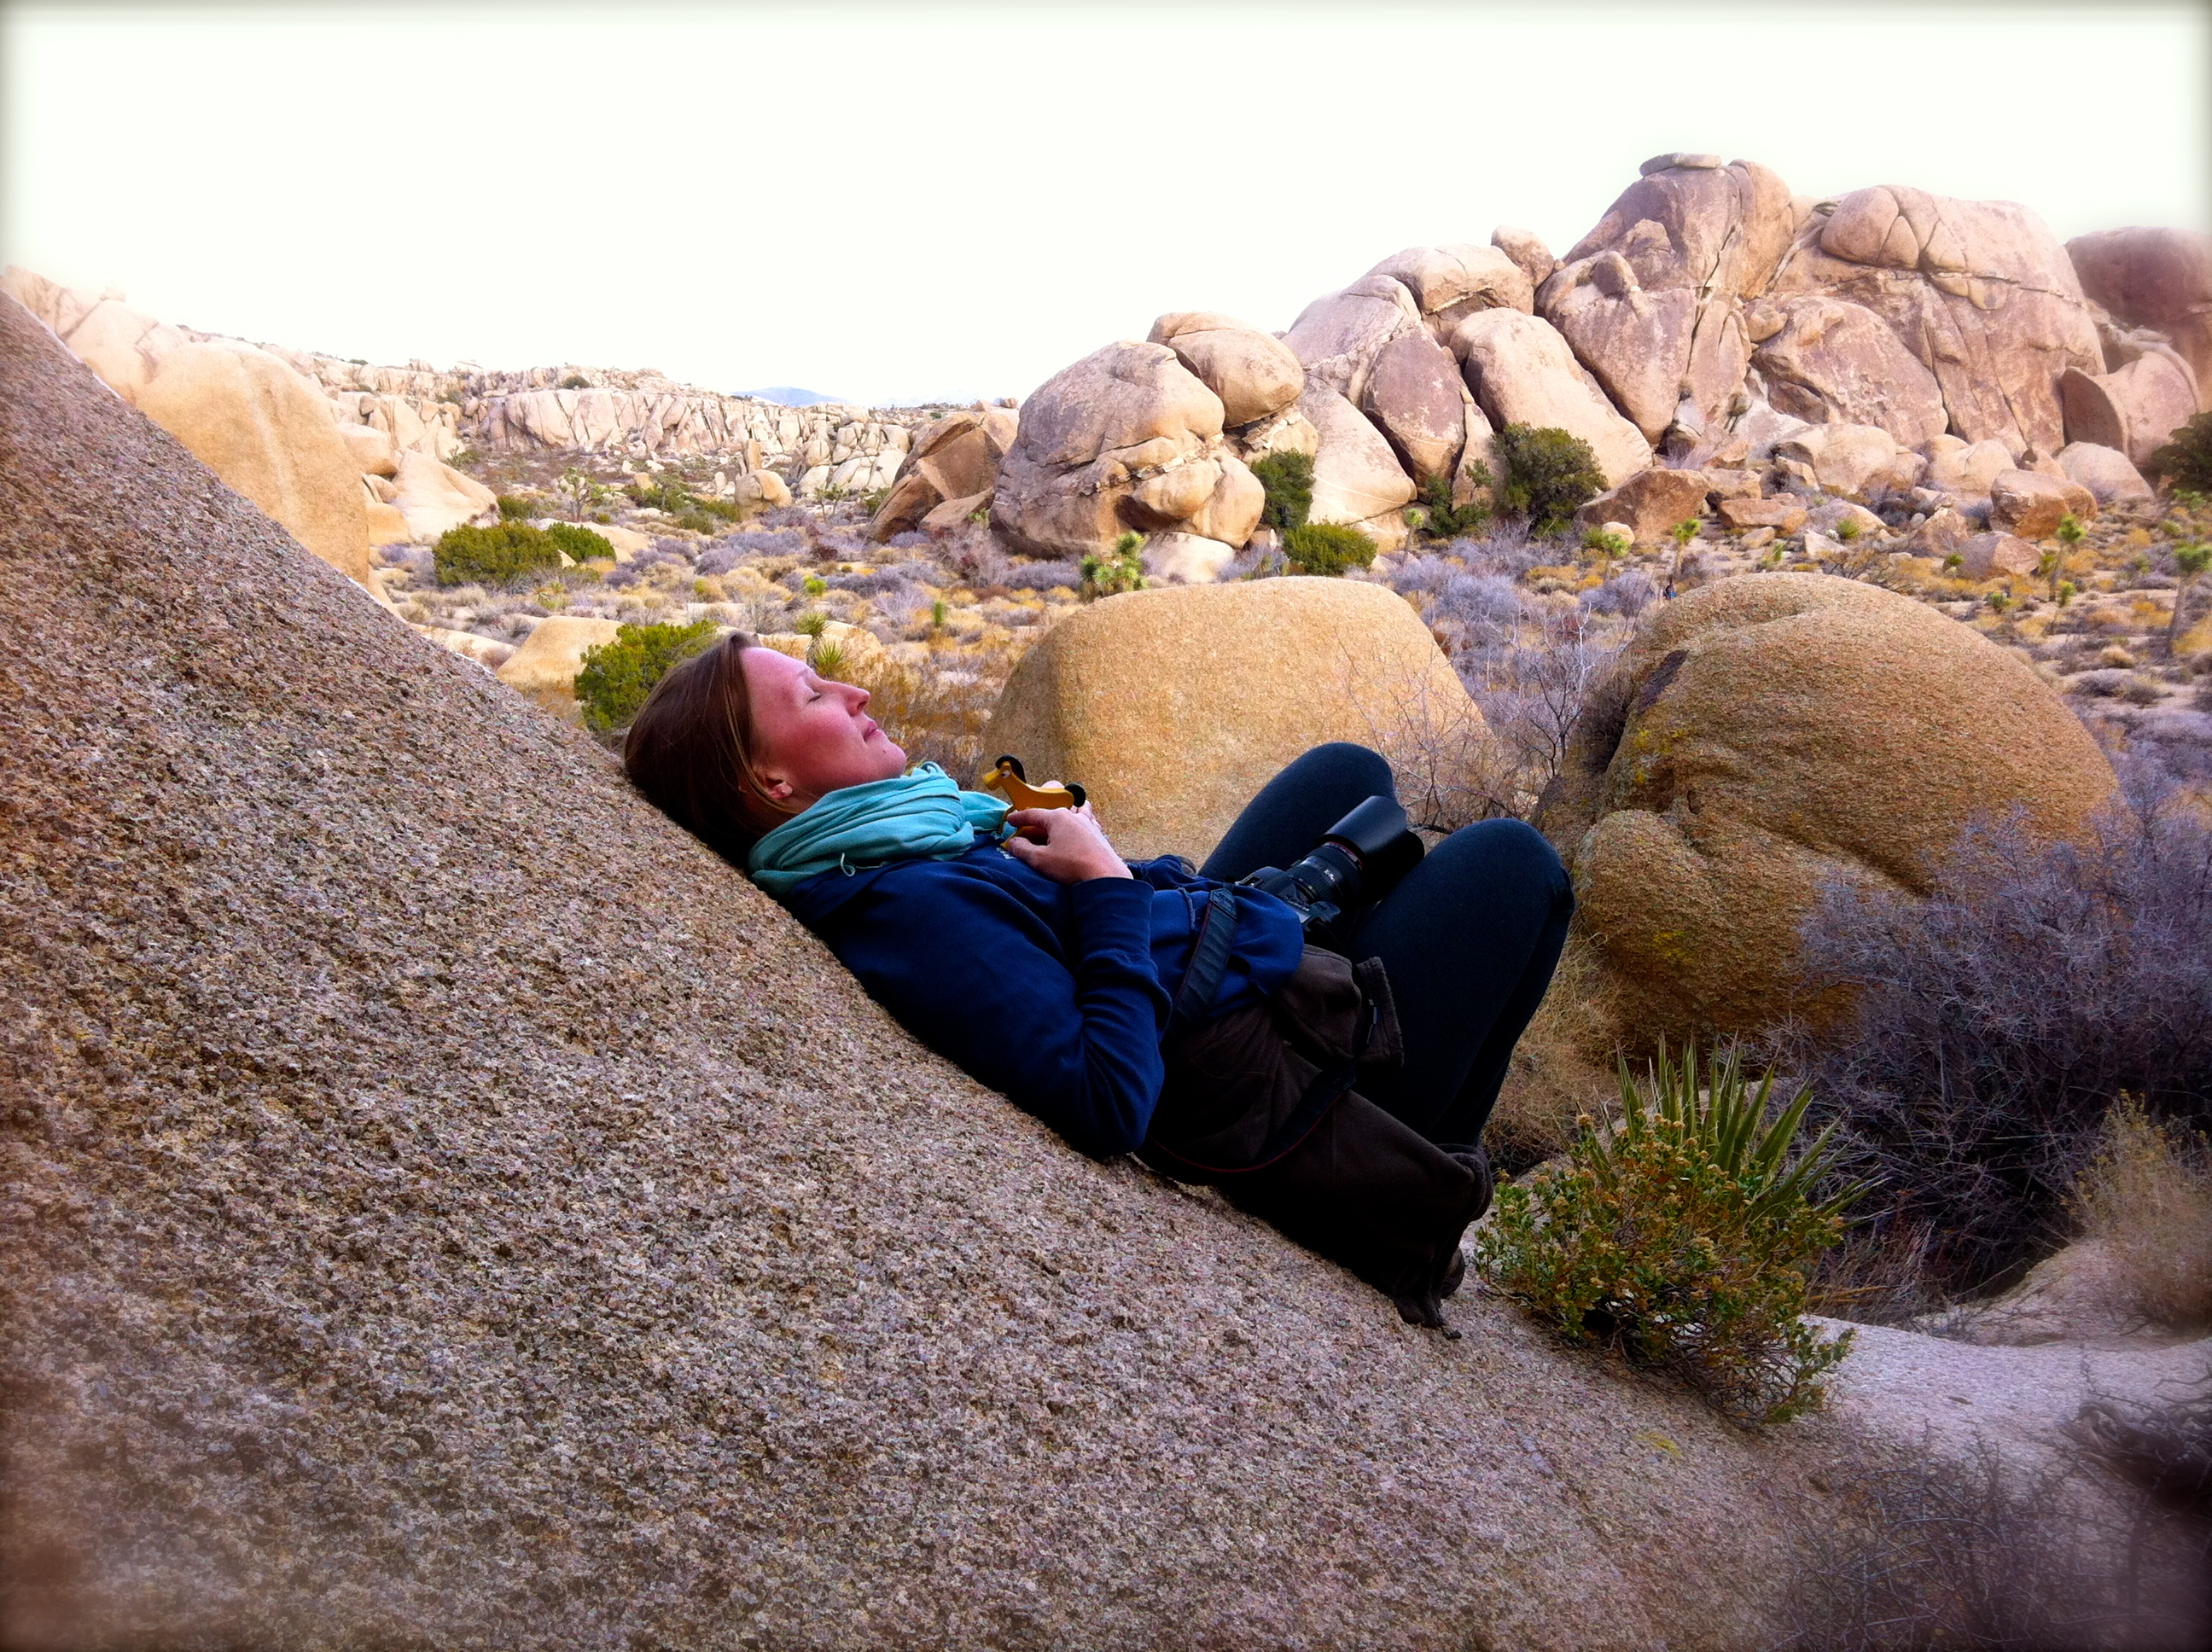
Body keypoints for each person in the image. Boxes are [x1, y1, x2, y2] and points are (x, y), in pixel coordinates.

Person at [623, 634, 1573, 1326]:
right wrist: (1107, 883)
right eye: (814, 696)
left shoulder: (906, 834)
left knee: (1345, 770)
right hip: (1265, 1097)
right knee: (1516, 865)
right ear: (773, 782)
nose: (855, 688)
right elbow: (1107, 1097)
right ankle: (1422, 1175)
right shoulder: (902, 905)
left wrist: (1110, 871)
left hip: (1207, 976)